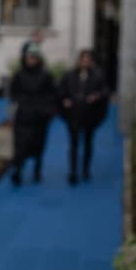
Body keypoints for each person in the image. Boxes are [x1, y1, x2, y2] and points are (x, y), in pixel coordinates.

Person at [58, 49, 109, 184]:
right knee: (73, 144)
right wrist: (65, 100)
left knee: (88, 143)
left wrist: (96, 96)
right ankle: (73, 171)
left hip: (89, 115)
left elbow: (104, 91)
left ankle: (86, 169)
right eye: (83, 60)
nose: (85, 62)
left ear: (91, 61)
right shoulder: (69, 75)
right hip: (74, 115)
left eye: (88, 60)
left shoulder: (98, 76)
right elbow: (61, 90)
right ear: (79, 61)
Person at [9, 45, 56, 185]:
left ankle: (37, 170)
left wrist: (46, 109)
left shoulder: (46, 75)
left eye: (34, 57)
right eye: (29, 57)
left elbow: (52, 93)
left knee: (39, 144)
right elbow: (13, 93)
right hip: (23, 116)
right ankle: (18, 171)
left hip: (40, 117)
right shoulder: (19, 75)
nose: (31, 60)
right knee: (20, 145)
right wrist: (22, 102)